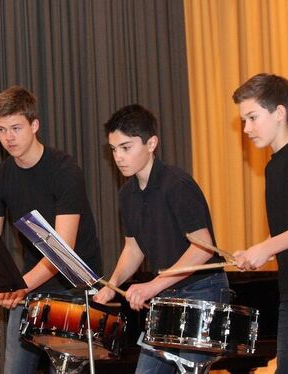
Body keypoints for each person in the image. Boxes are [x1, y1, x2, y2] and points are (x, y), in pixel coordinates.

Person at [93, 104, 229, 373]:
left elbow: (203, 248)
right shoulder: (127, 194)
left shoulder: (177, 184)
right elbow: (133, 248)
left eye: (126, 147)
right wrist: (113, 283)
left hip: (202, 289)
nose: (118, 156)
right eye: (113, 149)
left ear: (151, 143)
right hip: (167, 294)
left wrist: (153, 285)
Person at [0, 86, 103, 373]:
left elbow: (63, 250)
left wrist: (19, 287)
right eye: (1, 130)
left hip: (75, 288)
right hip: (32, 286)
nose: (8, 137)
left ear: (34, 125)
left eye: (15, 128)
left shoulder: (64, 170)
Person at [231, 73, 288, 373]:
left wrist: (267, 246)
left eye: (252, 117)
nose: (246, 129)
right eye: (243, 120)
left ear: (279, 113)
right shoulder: (273, 166)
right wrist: (257, 253)